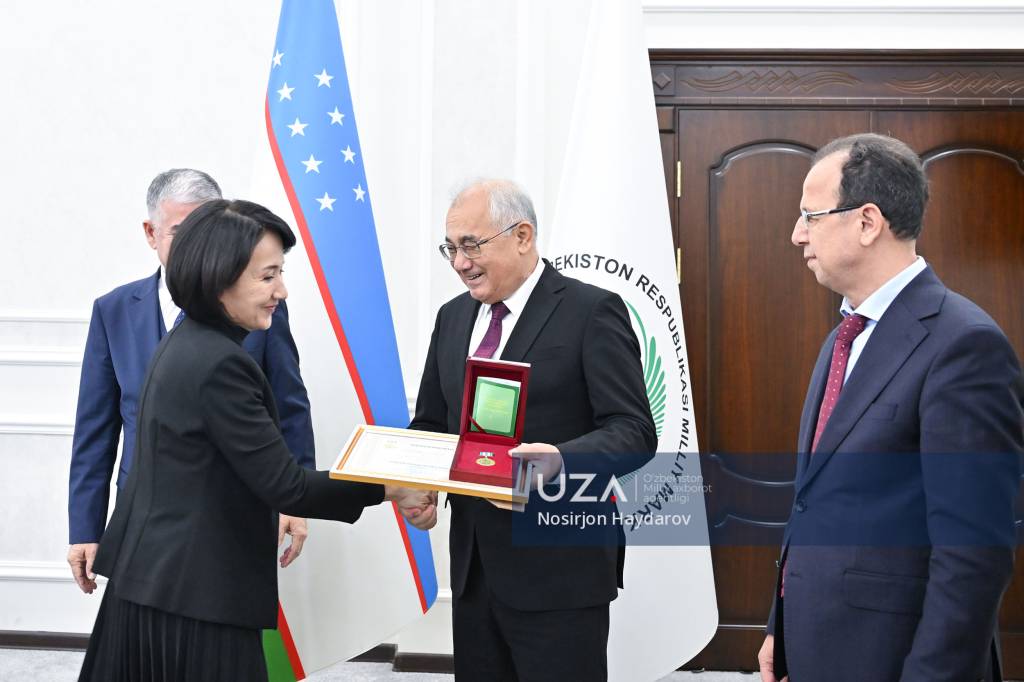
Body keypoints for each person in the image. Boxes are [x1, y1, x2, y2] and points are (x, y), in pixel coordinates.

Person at [78, 199, 437, 682]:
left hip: (156, 583)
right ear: (219, 278)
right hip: (195, 598)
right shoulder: (221, 364)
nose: (281, 291)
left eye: (280, 273)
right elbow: (288, 486)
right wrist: (393, 486)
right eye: (268, 276)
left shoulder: (186, 342)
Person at [757, 134, 1024, 682]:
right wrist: (780, 625)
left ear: (867, 222)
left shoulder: (964, 345)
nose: (796, 234)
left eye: (810, 216)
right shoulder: (844, 337)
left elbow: (973, 555)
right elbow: (814, 502)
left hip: (895, 661)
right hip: (817, 647)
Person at [409, 179, 656, 681]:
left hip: (560, 571)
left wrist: (560, 460)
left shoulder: (592, 311)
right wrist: (418, 481)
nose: (460, 263)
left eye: (471, 245)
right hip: (474, 572)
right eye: (451, 248)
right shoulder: (452, 318)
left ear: (522, 236)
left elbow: (633, 431)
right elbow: (432, 421)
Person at [67, 169, 315, 594]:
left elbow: (289, 405)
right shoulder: (113, 311)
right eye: (183, 232)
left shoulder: (262, 306)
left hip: (233, 515)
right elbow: (95, 431)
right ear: (151, 233)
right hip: (140, 519)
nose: (198, 245)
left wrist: (297, 500)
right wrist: (85, 528)